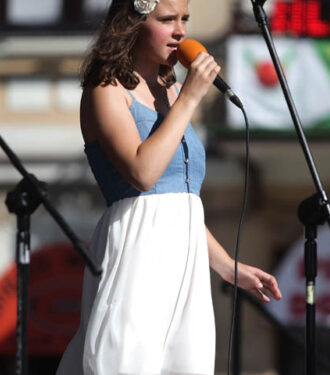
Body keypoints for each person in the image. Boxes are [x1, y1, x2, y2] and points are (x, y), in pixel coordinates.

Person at [56, 0, 281, 374]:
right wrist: (192, 98)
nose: (180, 31)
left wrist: (227, 265)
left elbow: (180, 199)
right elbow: (143, 174)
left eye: (185, 19)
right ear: (132, 24)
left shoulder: (172, 90)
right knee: (127, 360)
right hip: (138, 246)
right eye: (166, 20)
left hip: (184, 256)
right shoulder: (106, 88)